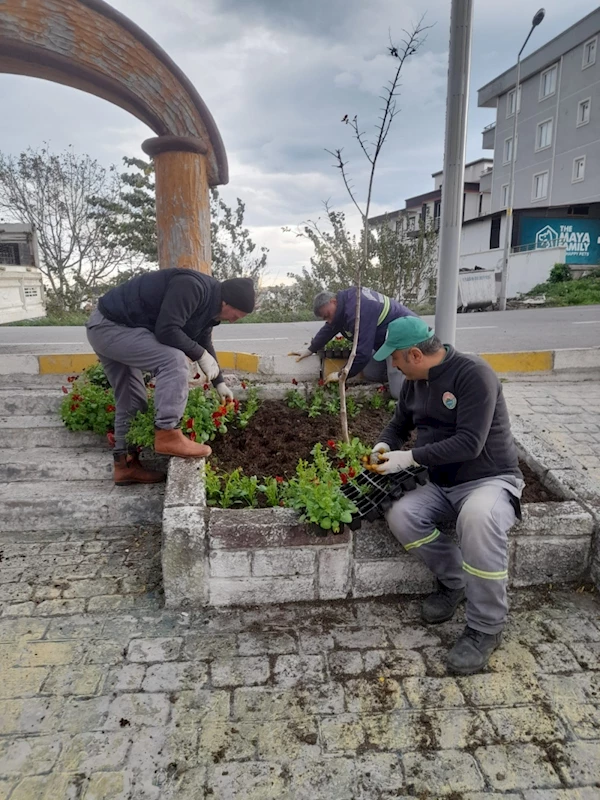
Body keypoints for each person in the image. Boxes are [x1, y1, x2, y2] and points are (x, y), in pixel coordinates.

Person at [369, 316, 523, 675]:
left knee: (478, 519)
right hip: (440, 482)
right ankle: (454, 581)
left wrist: (409, 457)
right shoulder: (414, 383)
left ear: (415, 355)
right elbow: (398, 425)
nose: (392, 364)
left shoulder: (473, 374)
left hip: (489, 479)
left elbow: (471, 443)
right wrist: (384, 445)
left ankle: (486, 627)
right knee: (401, 514)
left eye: (395, 358)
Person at [86, 269, 255, 486]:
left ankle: (124, 466)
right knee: (173, 360)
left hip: (109, 327)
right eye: (236, 315)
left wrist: (219, 382)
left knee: (131, 397)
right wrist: (199, 355)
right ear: (226, 303)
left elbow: (203, 341)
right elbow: (166, 330)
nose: (234, 321)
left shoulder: (209, 308)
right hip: (111, 327)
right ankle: (167, 433)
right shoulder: (193, 288)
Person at [290, 287, 417, 399]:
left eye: (328, 315)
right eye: (325, 318)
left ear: (333, 301)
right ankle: (397, 377)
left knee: (398, 393)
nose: (328, 320)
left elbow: (363, 353)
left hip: (406, 337)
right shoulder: (344, 303)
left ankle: (413, 390)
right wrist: (310, 349)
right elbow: (330, 328)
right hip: (386, 340)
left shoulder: (357, 310)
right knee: (371, 373)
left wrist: (342, 374)